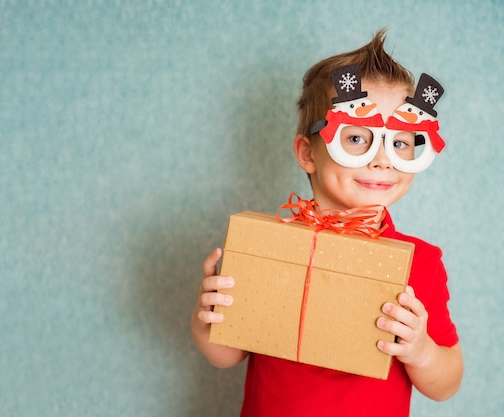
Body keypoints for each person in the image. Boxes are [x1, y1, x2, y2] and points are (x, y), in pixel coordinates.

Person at [190, 30, 463, 417]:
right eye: (356, 139)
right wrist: (208, 318)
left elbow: (447, 382)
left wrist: (421, 351)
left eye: (400, 143)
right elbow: (226, 354)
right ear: (308, 153)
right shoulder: (271, 248)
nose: (382, 159)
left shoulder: (421, 262)